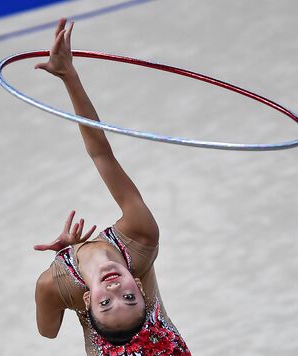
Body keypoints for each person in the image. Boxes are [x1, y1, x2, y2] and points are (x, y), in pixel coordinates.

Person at [33, 18, 190, 355]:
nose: (116, 288)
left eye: (106, 303)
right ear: (141, 291)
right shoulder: (141, 238)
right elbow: (101, 153)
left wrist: (63, 262)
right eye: (129, 297)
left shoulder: (55, 283)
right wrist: (68, 75)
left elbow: (47, 332)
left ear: (87, 300)